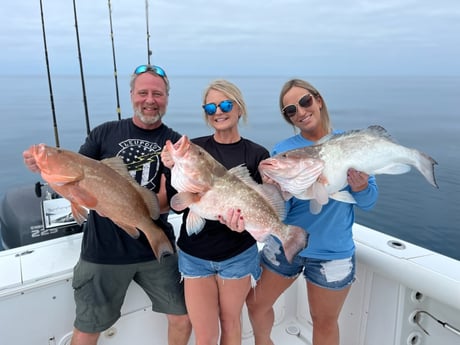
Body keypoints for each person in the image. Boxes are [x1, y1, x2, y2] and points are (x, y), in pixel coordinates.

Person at [23, 64, 192, 345]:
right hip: (102, 252)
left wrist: (165, 205)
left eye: (157, 94)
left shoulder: (174, 142)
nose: (149, 100)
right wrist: (41, 162)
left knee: (182, 318)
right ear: (131, 95)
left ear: (166, 98)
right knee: (88, 327)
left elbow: (181, 197)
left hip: (154, 250)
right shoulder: (103, 134)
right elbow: (75, 178)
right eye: (143, 92)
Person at [228, 78, 379, 345]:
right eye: (290, 110)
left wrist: (362, 186)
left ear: (318, 100)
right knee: (255, 304)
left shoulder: (349, 143)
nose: (301, 111)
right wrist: (275, 191)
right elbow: (281, 212)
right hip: (285, 244)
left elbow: (368, 201)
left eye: (305, 101)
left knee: (324, 322)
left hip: (332, 252)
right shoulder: (282, 152)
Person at [162, 79, 269, 345]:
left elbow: (260, 204)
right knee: (206, 335)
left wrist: (244, 224)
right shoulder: (194, 148)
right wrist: (169, 163)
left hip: (238, 254)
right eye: (210, 107)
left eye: (224, 104)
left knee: (231, 323)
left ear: (239, 108)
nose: (218, 111)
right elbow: (177, 201)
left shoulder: (256, 154)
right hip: (194, 255)